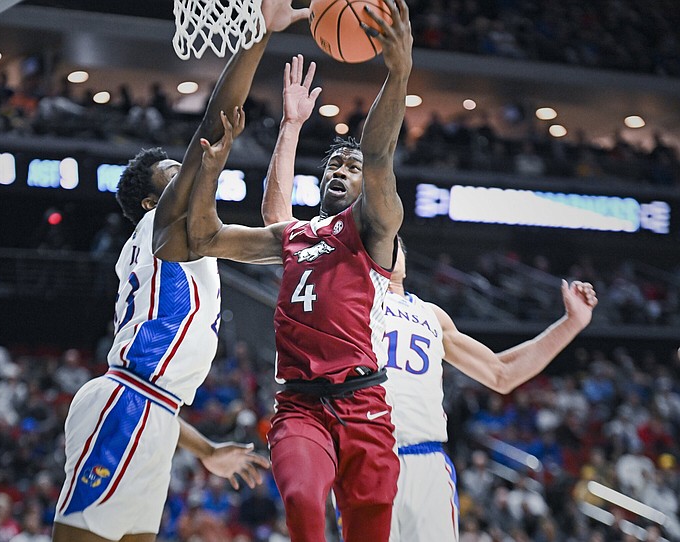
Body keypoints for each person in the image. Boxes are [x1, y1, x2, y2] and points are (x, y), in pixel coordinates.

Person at [262, 56, 598, 542]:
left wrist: (570, 325)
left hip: (424, 462)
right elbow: (279, 224)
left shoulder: (429, 315)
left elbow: (502, 374)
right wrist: (291, 128)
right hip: (360, 452)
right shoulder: (334, 282)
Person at [51, 2, 307, 541]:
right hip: (125, 401)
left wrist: (353, 230)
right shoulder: (162, 229)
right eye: (178, 170)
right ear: (152, 202)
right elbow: (215, 124)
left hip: (152, 411)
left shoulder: (196, 244)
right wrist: (258, 32)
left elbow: (277, 244)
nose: (193, 166)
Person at [174, 2, 413, 539]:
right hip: (301, 405)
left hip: (364, 404)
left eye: (350, 168)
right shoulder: (297, 236)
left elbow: (378, 159)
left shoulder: (374, 230)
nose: (342, 170)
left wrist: (397, 74)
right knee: (303, 499)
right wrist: (285, 128)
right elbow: (210, 236)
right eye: (334, 163)